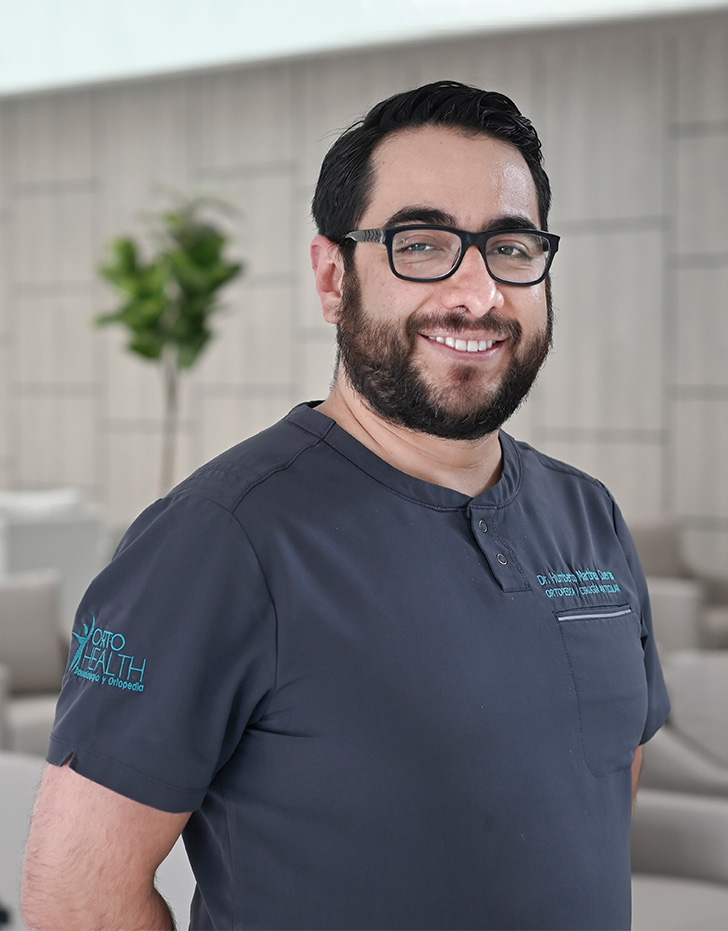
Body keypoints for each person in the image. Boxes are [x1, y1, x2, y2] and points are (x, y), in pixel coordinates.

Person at [22, 81, 669, 931]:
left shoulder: (589, 516)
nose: (477, 294)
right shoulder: (218, 542)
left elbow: (602, 789)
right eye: (422, 243)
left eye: (510, 248)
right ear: (334, 277)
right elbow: (76, 897)